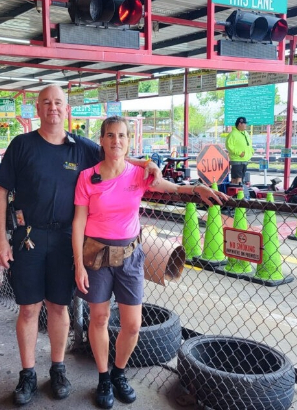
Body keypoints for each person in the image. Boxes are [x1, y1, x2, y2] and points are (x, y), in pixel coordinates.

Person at [0, 85, 161, 406]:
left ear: (66, 109)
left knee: (58, 306)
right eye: (46, 103)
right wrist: (1, 238)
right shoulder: (21, 145)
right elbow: (0, 191)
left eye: (58, 103)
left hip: (67, 240)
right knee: (29, 309)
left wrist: (146, 164)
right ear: (37, 108)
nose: (52, 108)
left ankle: (58, 369)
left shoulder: (80, 147)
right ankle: (27, 373)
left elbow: (116, 153)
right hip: (28, 238)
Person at [72, 116, 229, 409]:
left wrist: (196, 190)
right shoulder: (87, 177)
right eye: (110, 136)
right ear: (102, 141)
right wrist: (78, 264)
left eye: (121, 136)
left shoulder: (137, 174)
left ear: (128, 141)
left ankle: (119, 373)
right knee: (99, 319)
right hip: (96, 256)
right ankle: (103, 378)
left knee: (132, 326)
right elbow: (79, 222)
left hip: (130, 256)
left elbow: (168, 187)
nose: (116, 141)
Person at [225, 116, 254, 185]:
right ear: (240, 124)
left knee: (239, 177)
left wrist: (251, 151)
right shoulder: (233, 134)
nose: (245, 125)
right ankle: (238, 193)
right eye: (244, 123)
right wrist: (239, 153)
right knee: (238, 178)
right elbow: (229, 146)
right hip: (237, 159)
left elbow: (248, 144)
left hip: (244, 159)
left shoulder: (245, 133)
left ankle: (236, 191)